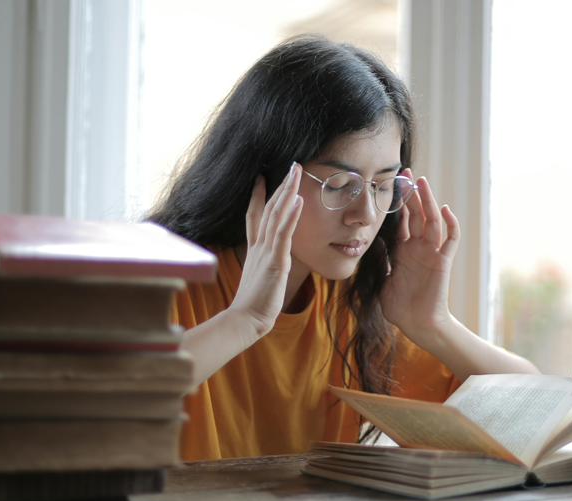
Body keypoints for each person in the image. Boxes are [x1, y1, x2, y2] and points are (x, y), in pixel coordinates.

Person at [149, 35, 539, 461]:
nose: (366, 214)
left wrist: (432, 323)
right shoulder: (160, 282)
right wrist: (247, 319)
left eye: (384, 186)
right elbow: (87, 405)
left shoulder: (348, 302)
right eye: (339, 185)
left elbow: (532, 410)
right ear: (264, 175)